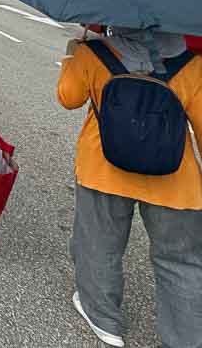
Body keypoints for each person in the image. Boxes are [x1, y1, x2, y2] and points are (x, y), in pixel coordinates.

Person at [57, 28, 202, 348]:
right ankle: (186, 338)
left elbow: (69, 97)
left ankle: (103, 317)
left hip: (103, 171)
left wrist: (73, 53)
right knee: (180, 261)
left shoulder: (93, 54)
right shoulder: (193, 65)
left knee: (98, 244)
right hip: (174, 180)